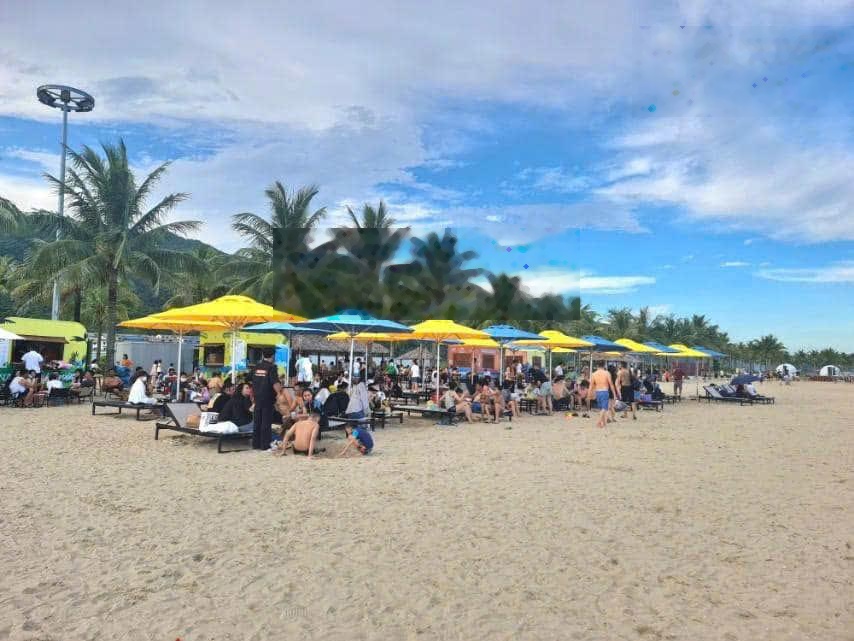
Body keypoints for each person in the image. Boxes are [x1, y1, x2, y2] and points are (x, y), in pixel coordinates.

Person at [251, 348, 281, 450]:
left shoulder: (256, 366)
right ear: (273, 356)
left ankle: (256, 444)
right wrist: (279, 394)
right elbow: (275, 383)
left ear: (263, 355)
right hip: (268, 398)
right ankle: (264, 445)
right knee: (266, 423)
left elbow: (249, 379)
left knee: (257, 422)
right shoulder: (272, 367)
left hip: (257, 398)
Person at [590, 361, 618, 428]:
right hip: (604, 391)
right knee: (604, 408)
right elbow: (611, 384)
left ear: (597, 366)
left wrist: (589, 394)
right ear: (604, 365)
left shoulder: (594, 374)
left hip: (598, 391)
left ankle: (604, 423)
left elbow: (591, 385)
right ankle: (599, 422)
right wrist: (614, 394)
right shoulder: (607, 373)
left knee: (601, 408)